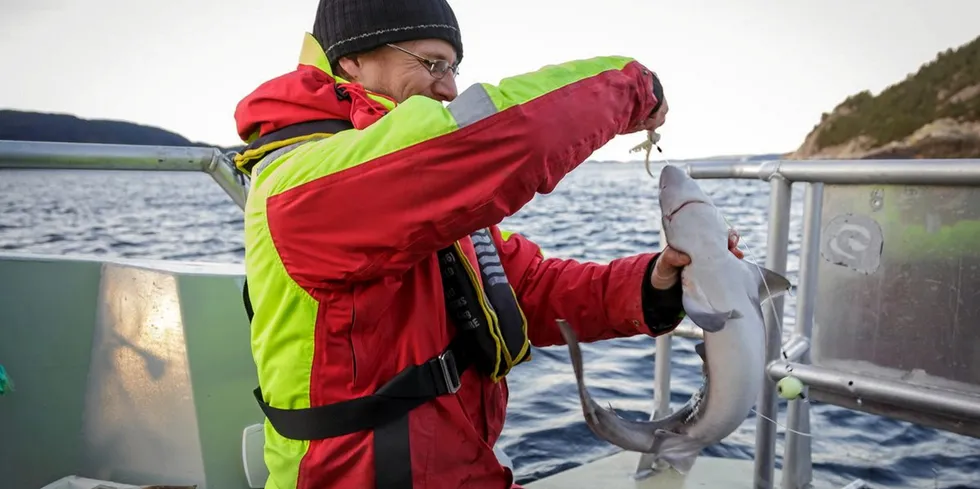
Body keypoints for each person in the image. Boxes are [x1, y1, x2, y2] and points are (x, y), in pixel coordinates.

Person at [232, 0, 743, 488]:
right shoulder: (301, 186)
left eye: (453, 67)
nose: (450, 87)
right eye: (432, 63)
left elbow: (528, 290)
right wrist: (629, 87)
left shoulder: (404, 190)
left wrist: (653, 284)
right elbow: (504, 137)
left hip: (466, 468)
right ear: (354, 59)